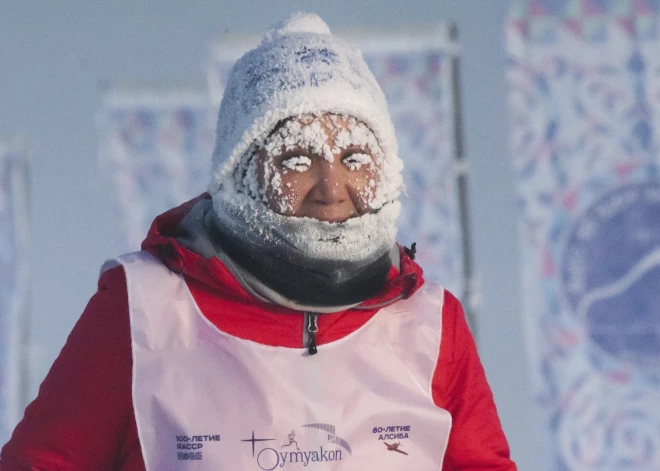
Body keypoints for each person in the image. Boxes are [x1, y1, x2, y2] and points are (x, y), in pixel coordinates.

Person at [1, 12, 517, 470]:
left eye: (356, 159)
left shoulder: (429, 326)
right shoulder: (142, 311)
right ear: (240, 172)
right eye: (297, 160)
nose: (332, 189)